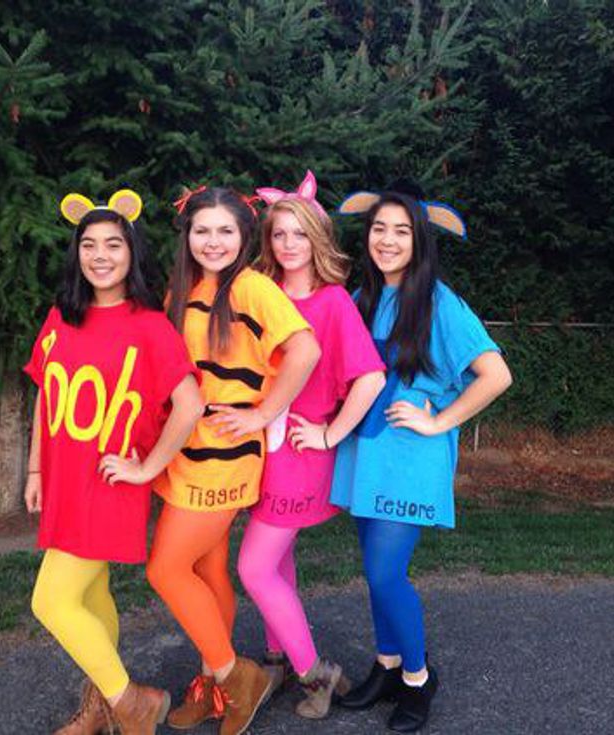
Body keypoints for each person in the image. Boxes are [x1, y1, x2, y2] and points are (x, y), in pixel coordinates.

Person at [331, 183, 513, 733]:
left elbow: (496, 375)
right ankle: (387, 666)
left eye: (401, 231)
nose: (387, 240)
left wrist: (439, 420)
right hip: (366, 453)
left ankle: (417, 678)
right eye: (379, 229)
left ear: (420, 240)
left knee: (386, 573)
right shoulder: (363, 297)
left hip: (409, 459)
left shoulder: (437, 302)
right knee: (374, 572)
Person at [24, 190, 203, 735]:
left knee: (51, 600)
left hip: (107, 482)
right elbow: (45, 393)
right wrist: (35, 469)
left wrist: (147, 468)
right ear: (77, 252)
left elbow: (190, 404)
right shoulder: (62, 316)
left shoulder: (149, 325)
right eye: (89, 245)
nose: (100, 255)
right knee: (91, 592)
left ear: (132, 252)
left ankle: (131, 701)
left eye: (113, 245)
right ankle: (102, 708)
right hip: (64, 479)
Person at [146, 186, 321, 735]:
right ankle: (214, 688)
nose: (213, 241)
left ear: (244, 237)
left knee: (165, 569)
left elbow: (306, 349)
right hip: (186, 448)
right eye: (202, 230)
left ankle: (238, 677)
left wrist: (263, 411)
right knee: (206, 570)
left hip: (223, 454)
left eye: (225, 231)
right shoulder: (183, 289)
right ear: (187, 236)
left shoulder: (251, 287)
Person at [236, 171, 386, 719]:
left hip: (301, 453)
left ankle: (316, 673)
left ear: (318, 238)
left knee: (254, 567)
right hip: (260, 447)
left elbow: (370, 378)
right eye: (278, 234)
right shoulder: (262, 295)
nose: (288, 244)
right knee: (278, 560)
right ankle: (276, 657)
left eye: (300, 233)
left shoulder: (333, 303)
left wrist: (329, 433)